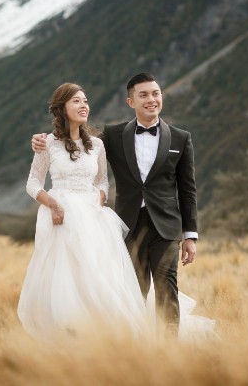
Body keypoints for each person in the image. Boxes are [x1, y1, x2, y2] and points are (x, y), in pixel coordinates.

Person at [30, 73, 201, 337]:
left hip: (166, 227)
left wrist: (190, 235)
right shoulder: (112, 136)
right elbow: (77, 146)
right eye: (143, 95)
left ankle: (171, 351)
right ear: (130, 101)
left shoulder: (181, 138)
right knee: (131, 291)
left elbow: (188, 190)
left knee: (167, 287)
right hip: (126, 227)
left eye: (155, 93)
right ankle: (132, 347)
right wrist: (39, 141)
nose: (151, 99)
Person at [17, 82, 150, 339]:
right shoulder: (47, 143)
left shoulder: (96, 146)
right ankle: (69, 334)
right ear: (62, 107)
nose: (84, 105)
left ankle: (101, 334)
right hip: (62, 218)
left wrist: (101, 195)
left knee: (98, 273)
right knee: (67, 276)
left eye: (86, 101)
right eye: (76, 101)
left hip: (92, 217)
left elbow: (102, 180)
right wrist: (53, 204)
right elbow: (32, 183)